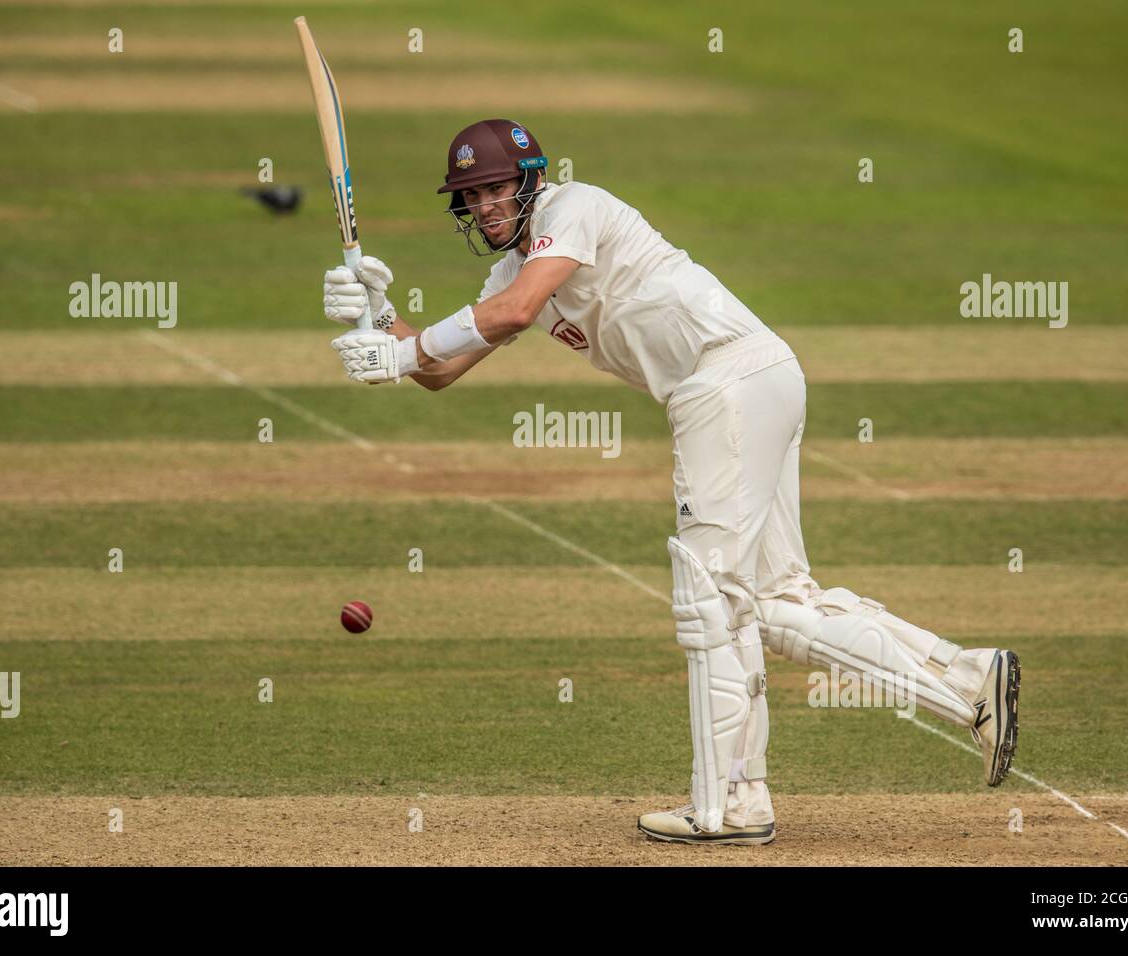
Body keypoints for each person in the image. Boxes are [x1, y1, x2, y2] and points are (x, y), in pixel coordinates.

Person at [323, 119, 1020, 846]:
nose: (486, 206)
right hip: (754, 381)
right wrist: (379, 319)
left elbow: (515, 312)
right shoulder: (509, 272)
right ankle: (970, 680)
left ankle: (723, 807)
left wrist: (402, 354)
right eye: (471, 196)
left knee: (710, 601)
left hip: (725, 383)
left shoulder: (574, 209)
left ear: (530, 180)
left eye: (497, 187)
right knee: (778, 605)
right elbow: (439, 369)